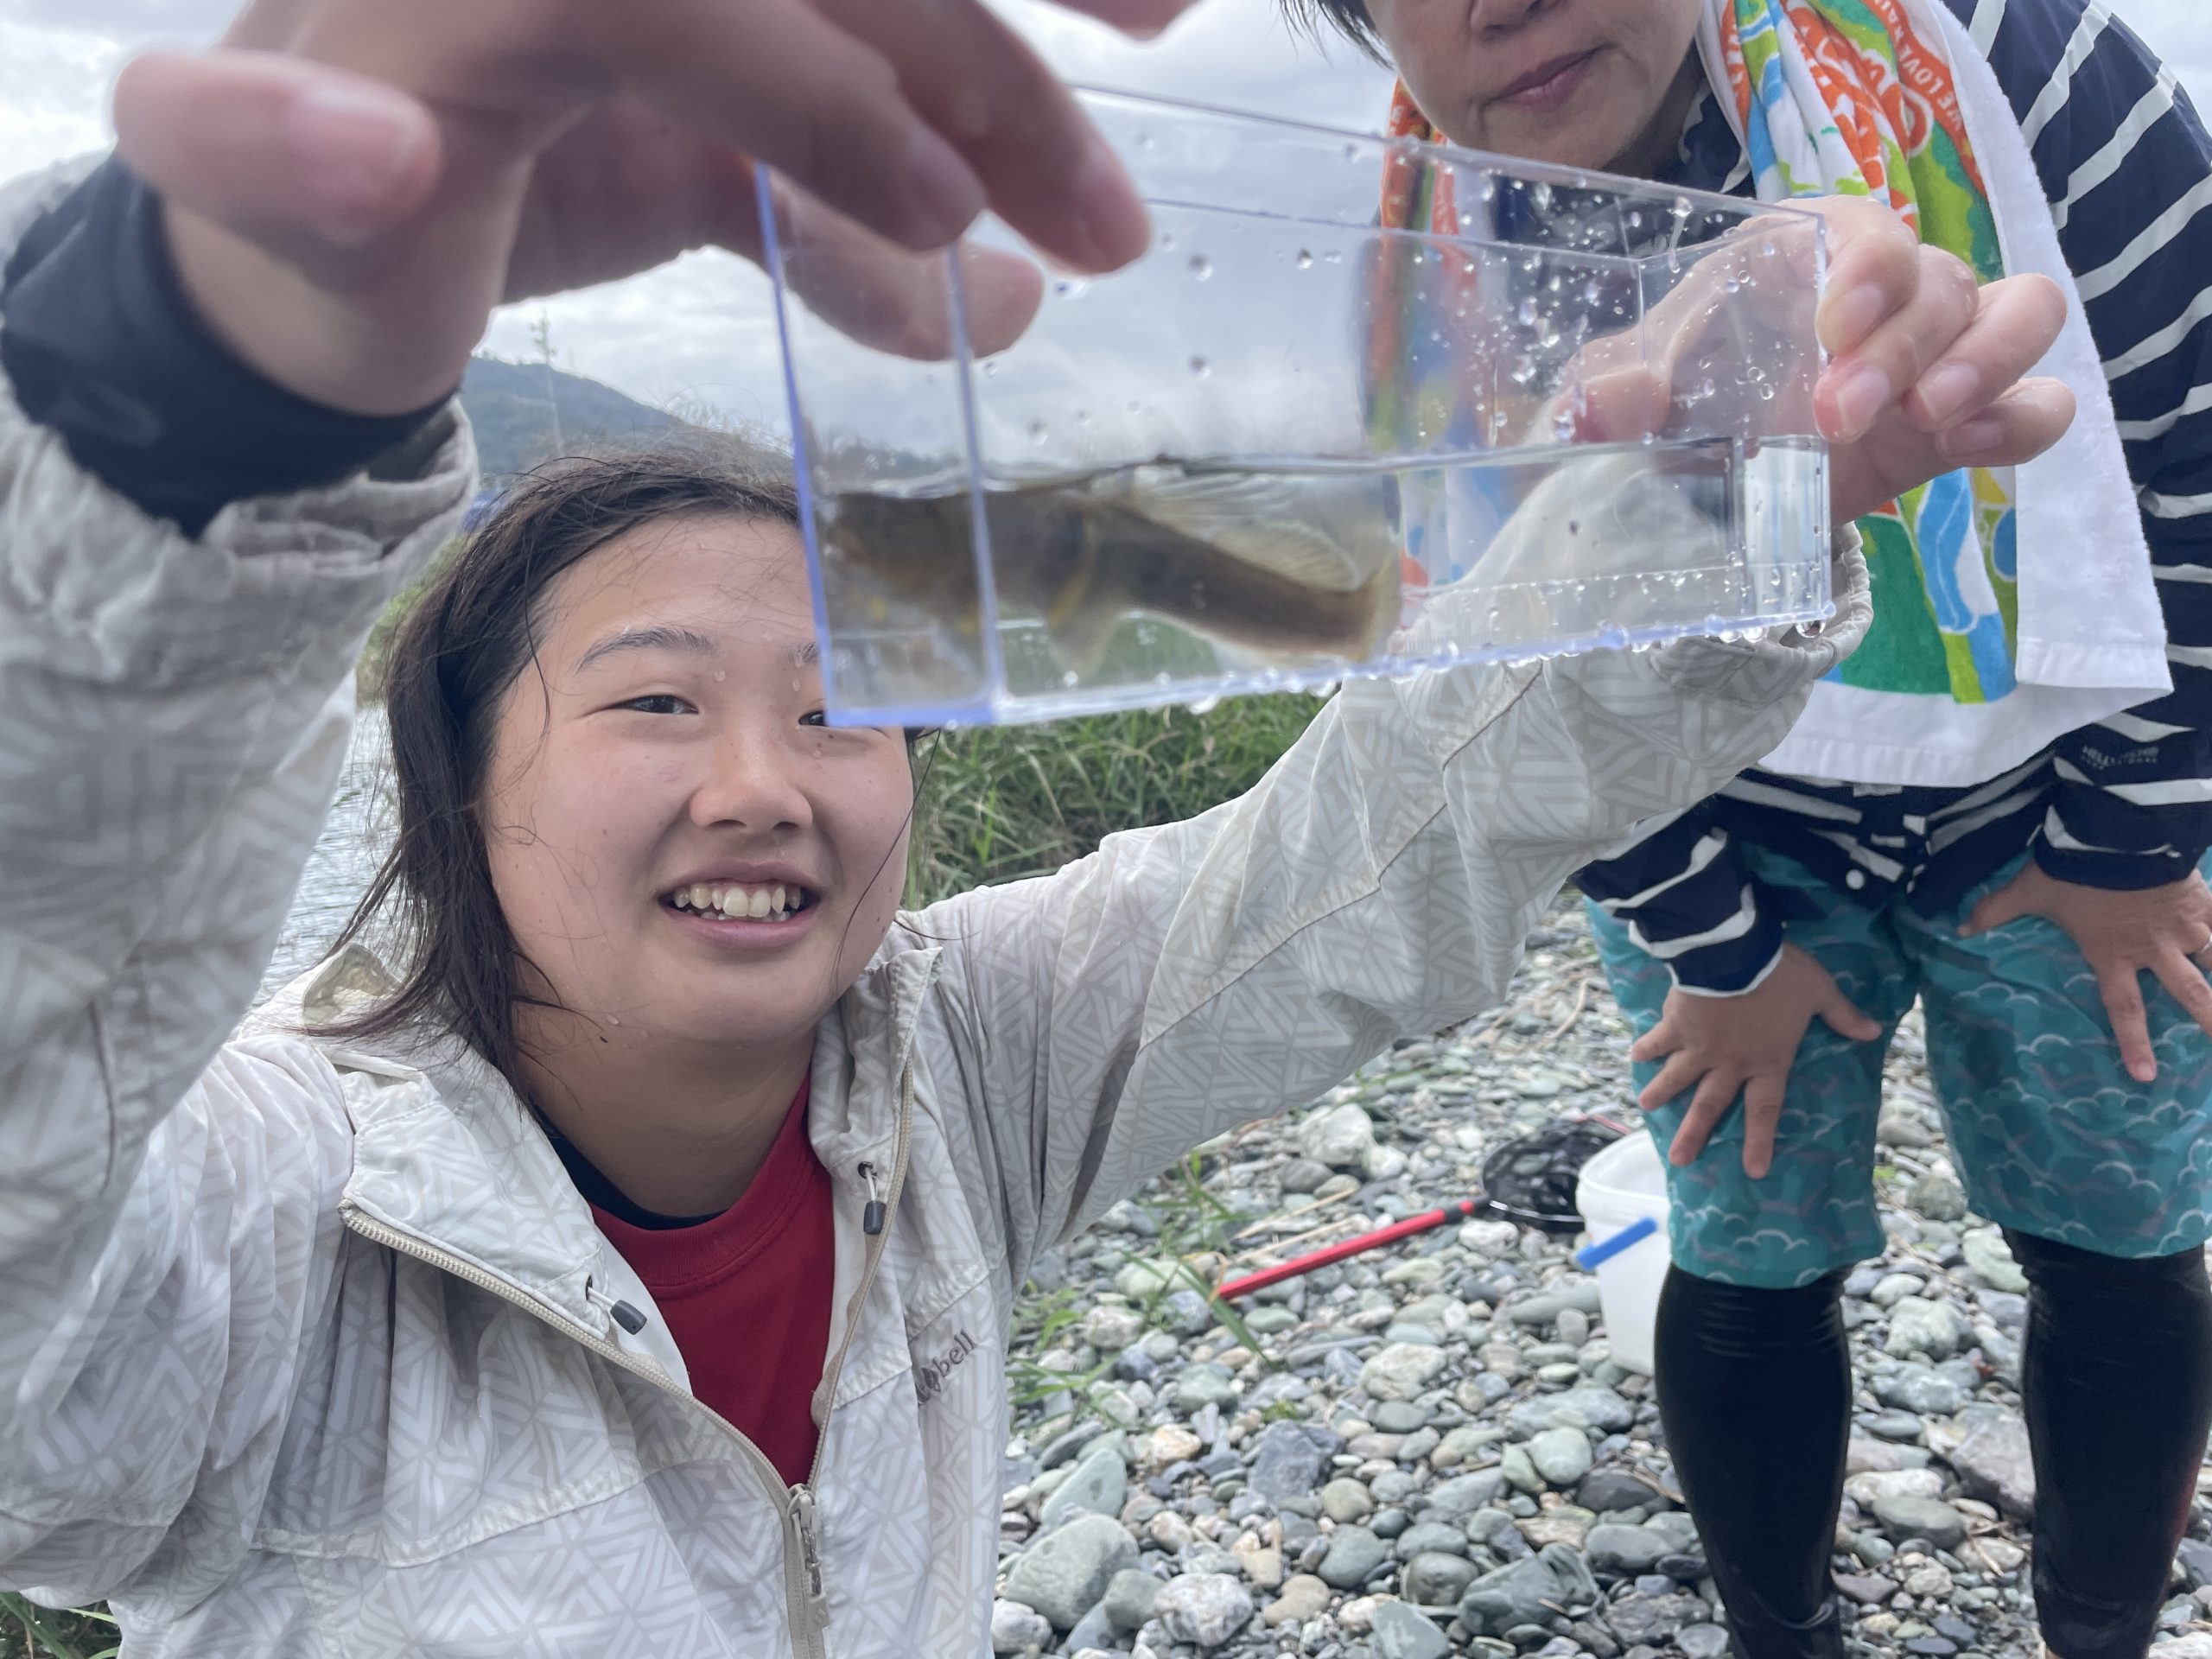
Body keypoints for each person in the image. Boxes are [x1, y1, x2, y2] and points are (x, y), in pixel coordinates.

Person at [0, 0, 2065, 1650]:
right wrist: (201, 396)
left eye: (841, 707)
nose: (762, 779)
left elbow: (1378, 843)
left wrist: (1716, 494)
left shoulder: (950, 1069)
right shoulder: (277, 1221)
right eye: (652, 701)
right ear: (453, 780)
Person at [1284, 0, 2212, 1654]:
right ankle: (1783, 1636)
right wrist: (1711, 944)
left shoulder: (2017, 59)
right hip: (1709, 813)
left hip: (2058, 768)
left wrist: (2131, 849)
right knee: (1748, 1241)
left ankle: (2103, 1634)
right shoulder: (1435, 269)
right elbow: (1507, 649)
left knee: (2126, 1229)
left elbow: (2193, 442)